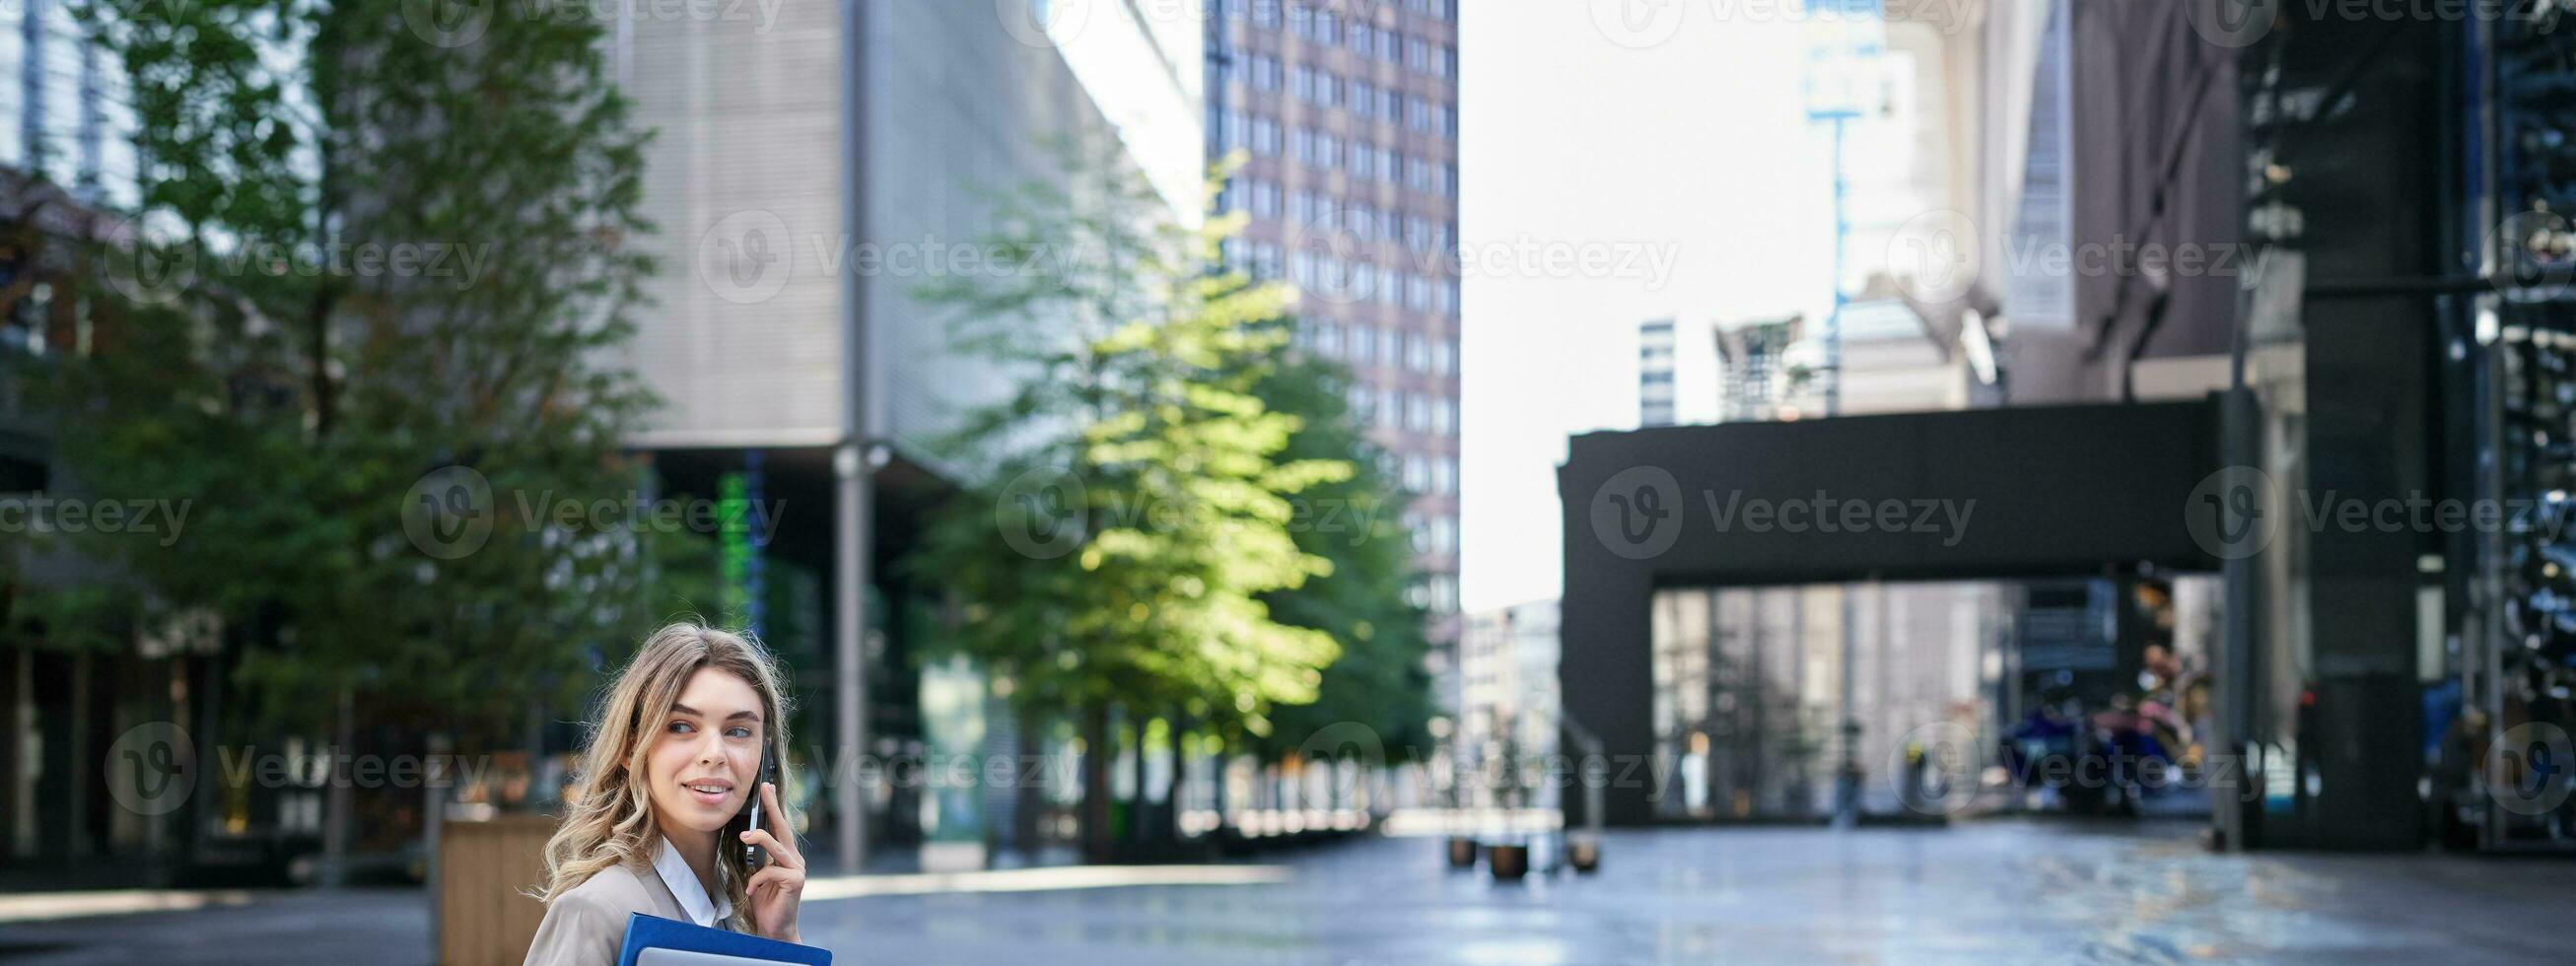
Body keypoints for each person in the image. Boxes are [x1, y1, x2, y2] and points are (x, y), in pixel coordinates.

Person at [522, 623, 807, 965]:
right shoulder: (596, 912)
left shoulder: (739, 917)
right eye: (681, 726)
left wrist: (781, 942)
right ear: (630, 749)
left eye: (738, 731)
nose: (714, 753)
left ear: (765, 757)